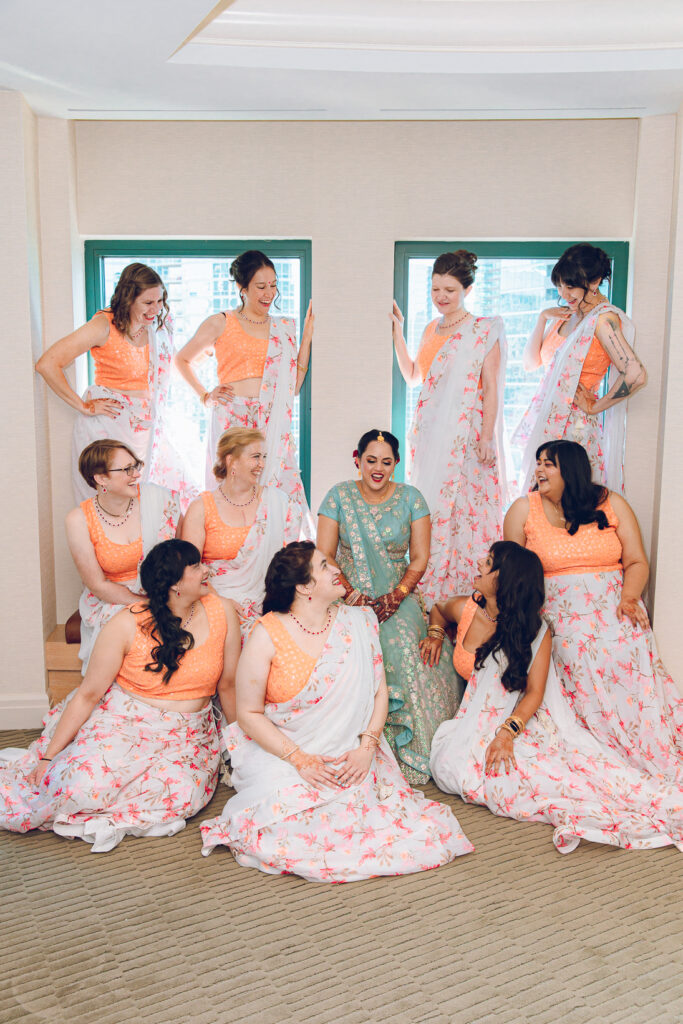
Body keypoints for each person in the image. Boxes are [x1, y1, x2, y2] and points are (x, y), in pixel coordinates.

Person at [200, 542, 474, 880]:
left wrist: (366, 749)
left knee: (375, 815)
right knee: (283, 820)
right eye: (325, 566)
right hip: (284, 750)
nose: (336, 570)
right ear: (303, 586)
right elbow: (249, 714)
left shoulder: (359, 621)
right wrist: (300, 760)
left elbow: (379, 693)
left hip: (351, 752)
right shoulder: (267, 632)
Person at [430, 543, 683, 854]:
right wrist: (435, 634)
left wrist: (506, 733)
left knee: (537, 776)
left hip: (521, 721)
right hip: (473, 721)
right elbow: (438, 610)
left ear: (505, 580)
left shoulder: (535, 633)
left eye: (489, 562)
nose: (480, 564)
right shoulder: (467, 609)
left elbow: (535, 692)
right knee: (450, 766)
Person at [0, 540, 241, 852]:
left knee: (181, 796)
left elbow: (229, 686)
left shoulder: (222, 611)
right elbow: (88, 695)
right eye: (195, 567)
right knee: (80, 788)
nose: (207, 569)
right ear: (174, 586)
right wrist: (48, 757)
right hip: (122, 722)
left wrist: (238, 750)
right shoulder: (127, 622)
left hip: (187, 735)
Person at [504, 440, 683, 782]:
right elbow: (511, 572)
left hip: (615, 608)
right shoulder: (523, 509)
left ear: (570, 470)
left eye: (549, 464)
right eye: (538, 463)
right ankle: (597, 739)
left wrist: (630, 598)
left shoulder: (611, 502)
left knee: (626, 645)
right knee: (580, 648)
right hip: (560, 619)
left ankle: (634, 738)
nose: (539, 470)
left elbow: (636, 561)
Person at [317, 429, 462, 785]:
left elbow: (420, 558)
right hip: (344, 593)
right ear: (358, 460)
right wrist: (350, 593)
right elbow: (324, 555)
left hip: (398, 594)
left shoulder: (412, 498)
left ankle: (405, 749)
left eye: (386, 461)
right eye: (371, 461)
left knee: (400, 649)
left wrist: (395, 597)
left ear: (396, 464)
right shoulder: (339, 496)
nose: (378, 468)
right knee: (341, 651)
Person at [390, 250, 507, 602]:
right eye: (436, 289)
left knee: (465, 512)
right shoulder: (429, 329)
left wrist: (486, 437)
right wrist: (398, 328)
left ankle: (466, 593)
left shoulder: (483, 330)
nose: (441, 297)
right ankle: (431, 592)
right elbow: (413, 375)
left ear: (467, 290)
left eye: (450, 290)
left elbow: (491, 389)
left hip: (466, 435)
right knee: (432, 509)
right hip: (428, 434)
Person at [174, 250, 313, 535]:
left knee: (276, 489)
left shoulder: (284, 328)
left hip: (269, 418)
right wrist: (205, 395)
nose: (269, 293)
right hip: (232, 417)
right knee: (232, 488)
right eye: (260, 287)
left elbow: (293, 386)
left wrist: (307, 337)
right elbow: (182, 359)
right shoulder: (221, 322)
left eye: (273, 285)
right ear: (242, 288)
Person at [36, 263, 194, 504]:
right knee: (110, 500)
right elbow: (47, 364)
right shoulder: (104, 324)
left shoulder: (159, 325)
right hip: (110, 425)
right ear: (129, 298)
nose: (156, 309)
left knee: (164, 497)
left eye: (160, 301)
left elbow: (167, 367)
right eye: (148, 303)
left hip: (148, 423)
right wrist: (83, 406)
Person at [513, 244, 645, 493]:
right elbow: (531, 364)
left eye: (571, 286)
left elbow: (635, 374)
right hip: (549, 420)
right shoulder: (571, 315)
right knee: (540, 501)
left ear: (594, 282)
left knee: (568, 499)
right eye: (560, 285)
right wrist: (542, 318)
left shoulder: (603, 319)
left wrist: (595, 406)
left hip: (574, 425)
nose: (564, 293)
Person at [67, 440, 182, 673]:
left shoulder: (158, 500)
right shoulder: (78, 520)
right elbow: (98, 585)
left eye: (136, 466)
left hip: (164, 590)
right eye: (126, 469)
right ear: (101, 478)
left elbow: (182, 553)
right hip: (113, 598)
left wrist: (164, 598)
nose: (136, 474)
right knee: (140, 630)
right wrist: (146, 604)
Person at [181, 427, 297, 643]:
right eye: (255, 457)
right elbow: (188, 569)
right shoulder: (201, 507)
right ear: (231, 461)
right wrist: (221, 602)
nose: (262, 464)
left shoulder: (277, 502)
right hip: (214, 597)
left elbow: (291, 564)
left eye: (264, 457)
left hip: (270, 598)